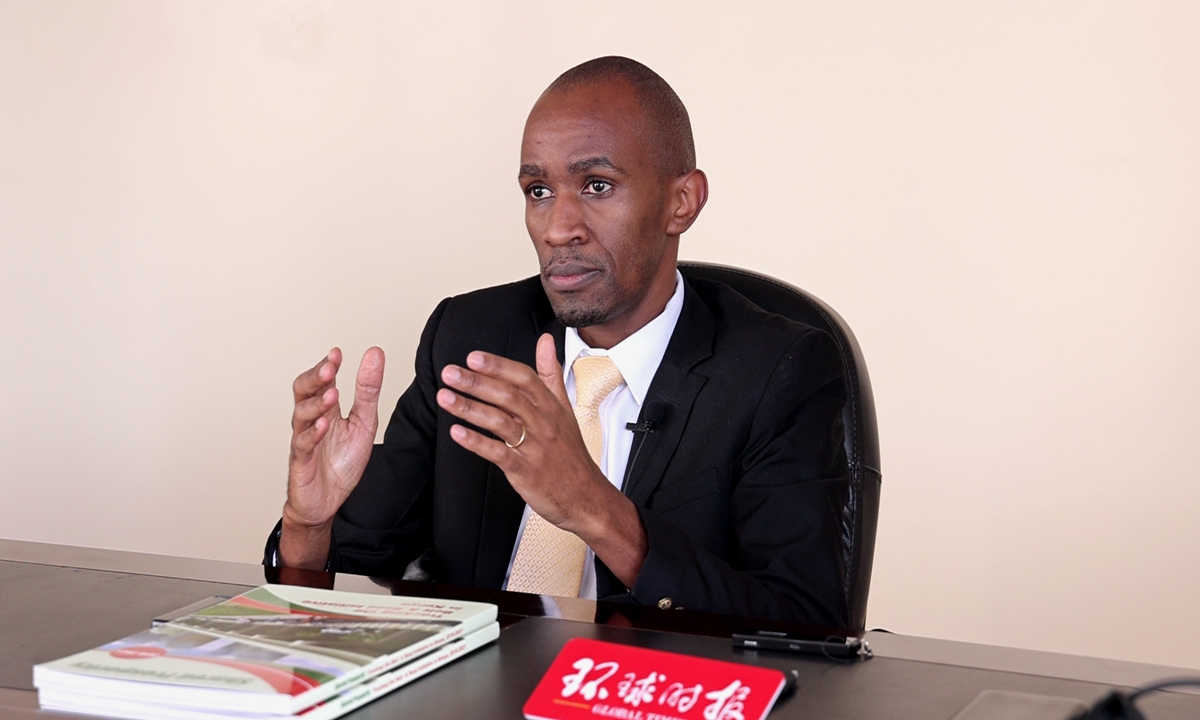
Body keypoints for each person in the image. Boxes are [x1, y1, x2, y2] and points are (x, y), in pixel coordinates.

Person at [267, 56, 850, 627]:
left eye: (597, 185)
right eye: (539, 190)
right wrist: (308, 524)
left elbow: (804, 623)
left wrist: (595, 508)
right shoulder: (469, 337)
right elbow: (351, 573)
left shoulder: (778, 370)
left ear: (682, 202)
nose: (557, 228)